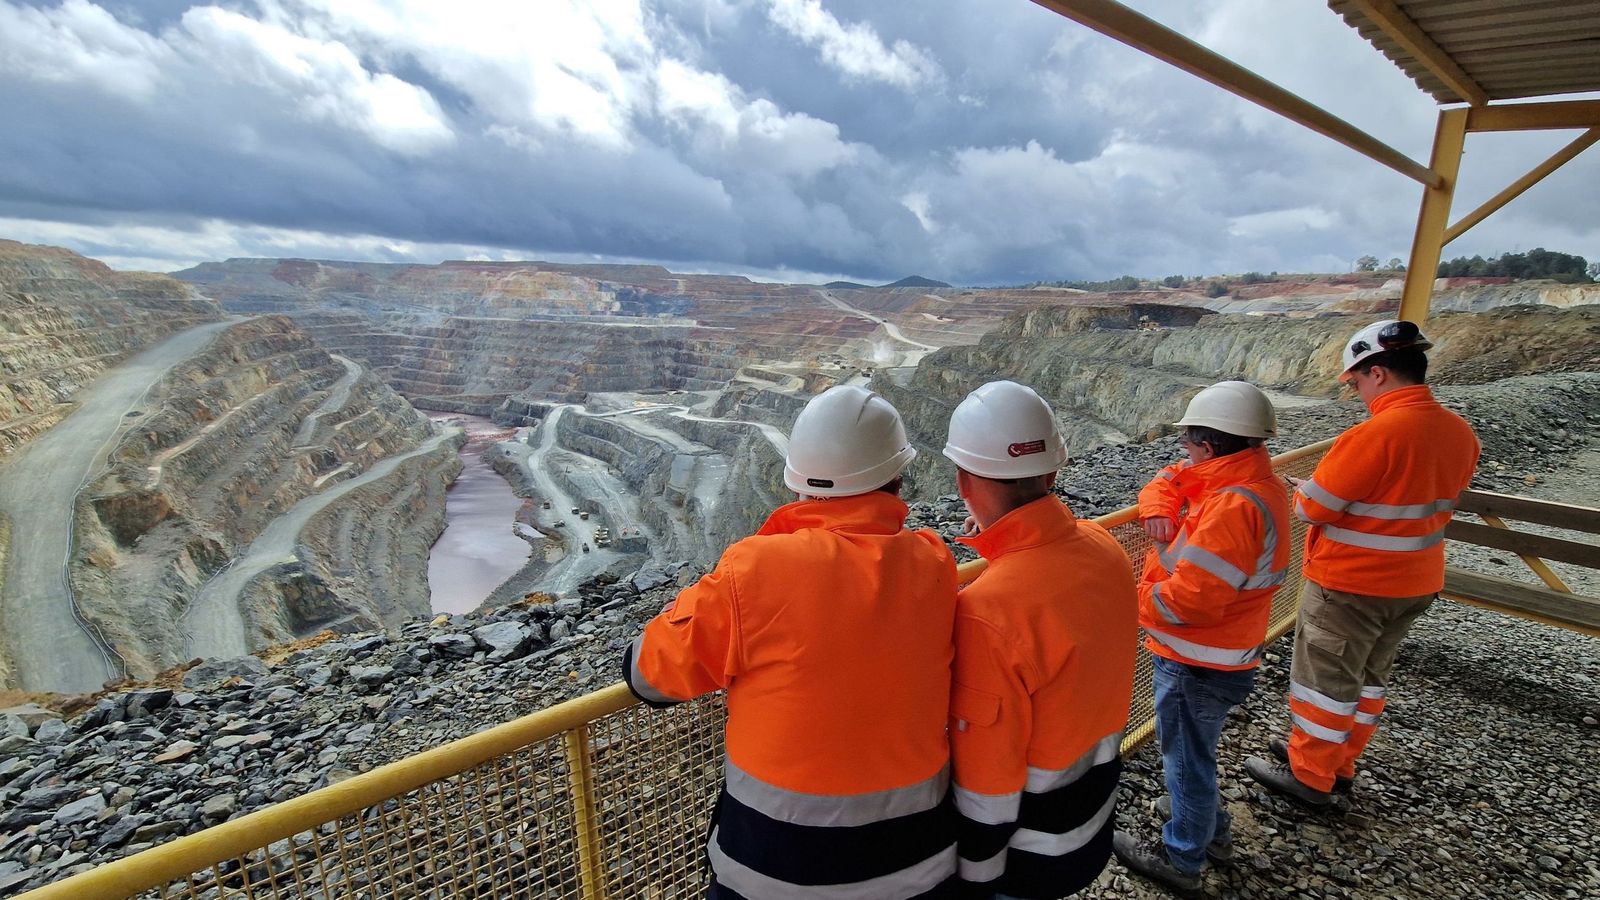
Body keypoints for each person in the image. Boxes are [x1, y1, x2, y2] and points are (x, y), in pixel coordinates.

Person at [623, 384, 961, 898]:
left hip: (773, 872)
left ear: (798, 480)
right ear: (895, 477)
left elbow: (651, 677)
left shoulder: (757, 567)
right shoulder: (934, 561)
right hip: (916, 867)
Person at [1245, 319, 1479, 807]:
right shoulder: (1459, 432)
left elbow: (1313, 509)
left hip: (1352, 586)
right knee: (1369, 679)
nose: (1356, 393)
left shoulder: (1373, 435)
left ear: (1379, 373)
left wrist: (1306, 491)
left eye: (1355, 382)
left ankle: (1310, 776)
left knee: (1324, 682)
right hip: (1416, 583)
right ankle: (1339, 762)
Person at [943, 380, 1137, 899]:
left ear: (964, 481)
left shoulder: (989, 612)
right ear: (1052, 470)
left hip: (1027, 859)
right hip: (1091, 824)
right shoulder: (1106, 549)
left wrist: (974, 883)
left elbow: (987, 784)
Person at [1110, 381, 1290, 894]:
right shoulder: (1249, 478)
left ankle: (1182, 859)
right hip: (1219, 656)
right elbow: (1169, 477)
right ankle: (1212, 833)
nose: (1182, 455)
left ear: (1209, 446)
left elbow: (1189, 603)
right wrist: (1157, 507)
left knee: (1187, 761)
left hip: (1198, 662)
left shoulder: (1232, 508)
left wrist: (1125, 601)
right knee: (1193, 754)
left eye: (1189, 444)